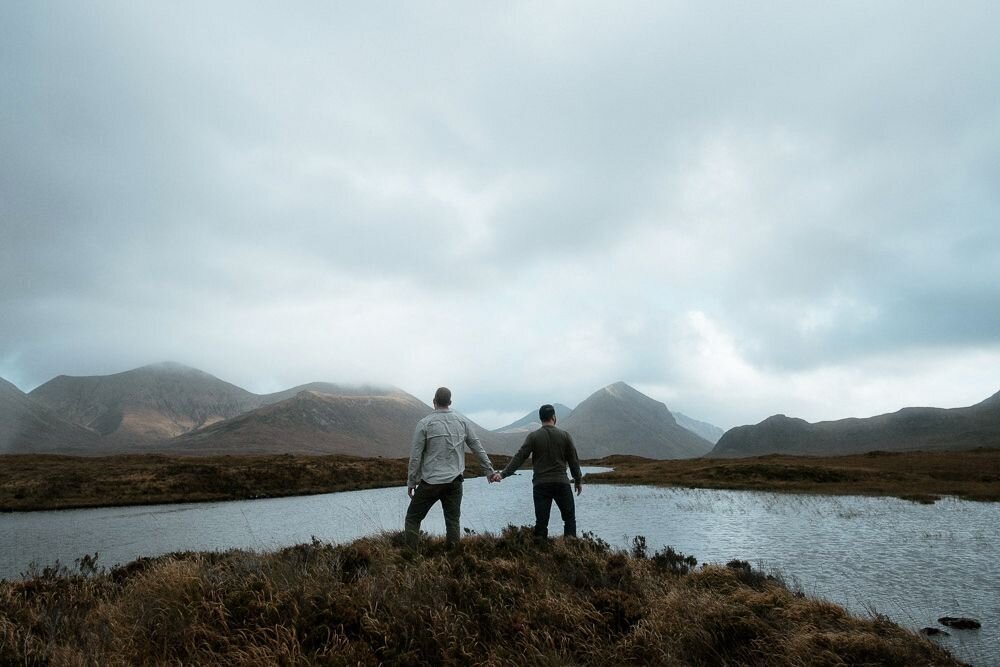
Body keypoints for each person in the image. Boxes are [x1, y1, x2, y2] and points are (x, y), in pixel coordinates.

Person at [405, 387, 502, 548]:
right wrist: (489, 471)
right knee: (452, 521)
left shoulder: (424, 424)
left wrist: (411, 481)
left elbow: (416, 456)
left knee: (412, 518)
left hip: (431, 481)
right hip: (455, 481)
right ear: (450, 402)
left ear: (434, 401)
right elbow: (477, 447)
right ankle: (454, 558)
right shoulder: (462, 422)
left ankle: (411, 557)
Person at [499, 404, 582, 540]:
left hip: (541, 485)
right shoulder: (565, 436)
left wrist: (503, 474)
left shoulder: (533, 436)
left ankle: (540, 553)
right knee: (569, 519)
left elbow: (519, 457)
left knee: (541, 523)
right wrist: (578, 480)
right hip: (561, 483)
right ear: (554, 417)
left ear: (540, 419)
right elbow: (573, 461)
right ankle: (570, 548)